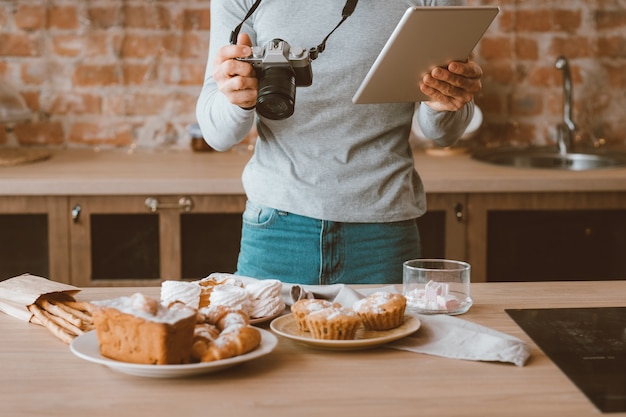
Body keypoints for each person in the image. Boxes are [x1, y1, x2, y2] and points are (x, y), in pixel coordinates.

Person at [196, 0, 482, 285]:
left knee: (392, 330)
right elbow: (218, 134)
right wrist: (237, 99)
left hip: (383, 230)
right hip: (276, 228)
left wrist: (443, 103)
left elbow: (443, 134)